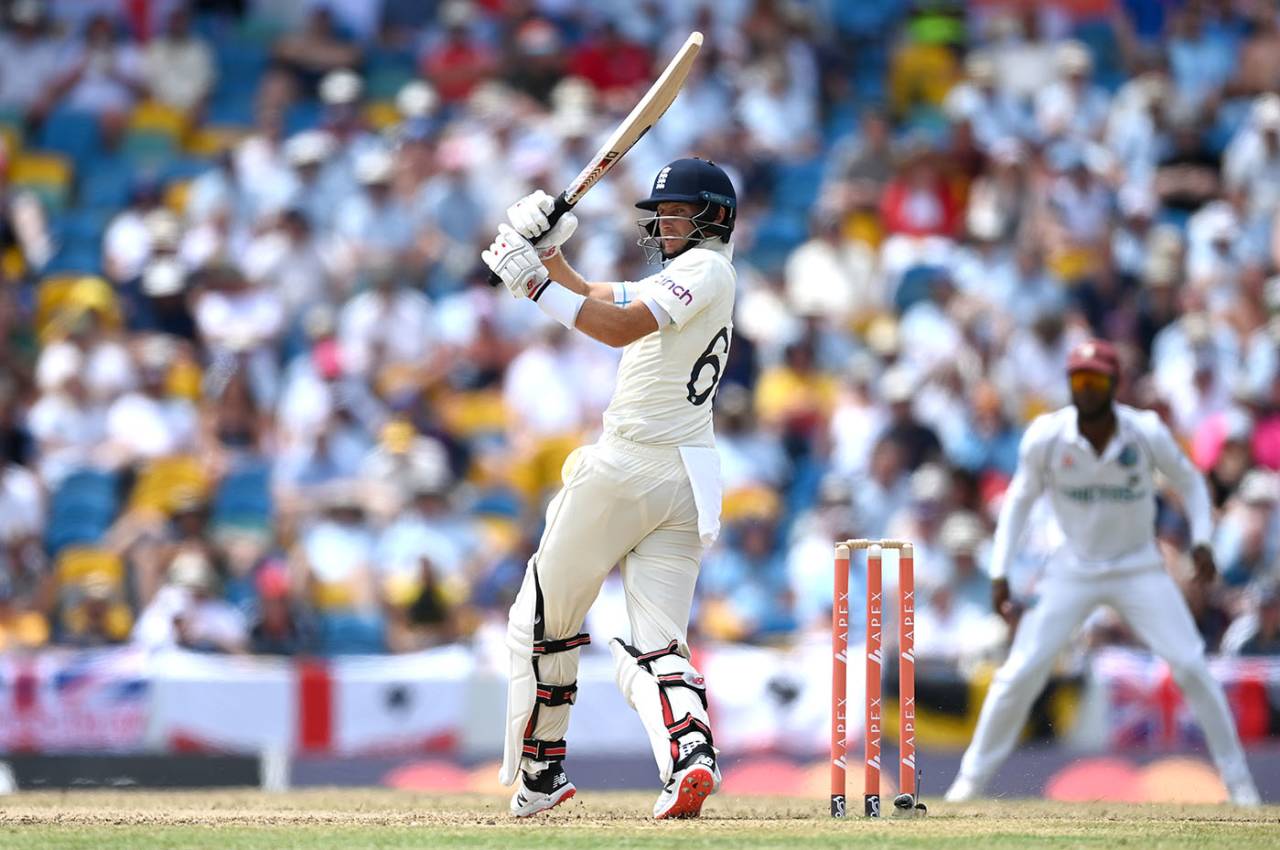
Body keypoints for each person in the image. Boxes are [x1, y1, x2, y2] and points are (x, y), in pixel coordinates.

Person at [481, 158, 738, 819]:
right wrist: (550, 255)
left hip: (630, 466)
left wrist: (536, 287)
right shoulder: (691, 274)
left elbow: (617, 329)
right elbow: (601, 298)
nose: (662, 224)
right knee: (655, 643)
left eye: (675, 213)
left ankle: (542, 774)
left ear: (713, 217)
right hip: (688, 477)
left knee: (540, 619)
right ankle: (691, 756)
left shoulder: (706, 269)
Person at [945, 339, 1260, 805]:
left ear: (1114, 384)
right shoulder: (1047, 436)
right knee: (1019, 673)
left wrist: (1202, 541)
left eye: (1096, 380)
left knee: (1192, 666)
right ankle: (968, 785)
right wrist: (999, 572)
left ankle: (1241, 788)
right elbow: (1018, 501)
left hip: (1139, 567)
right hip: (1071, 568)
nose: (1086, 389)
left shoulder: (1144, 432)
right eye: (1078, 380)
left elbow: (1191, 483)